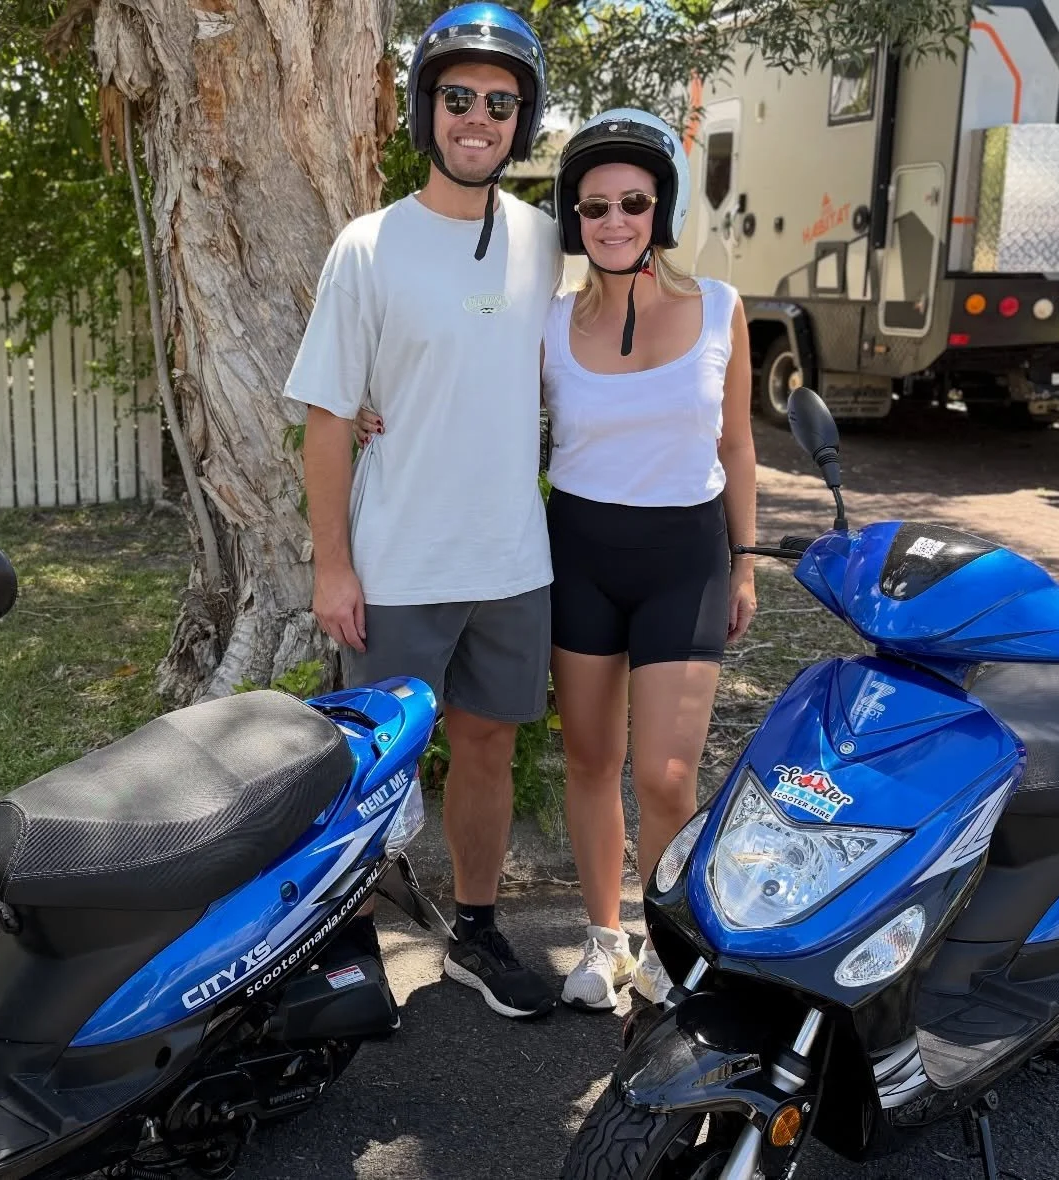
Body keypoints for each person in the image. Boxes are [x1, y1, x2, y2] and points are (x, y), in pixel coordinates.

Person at [360, 108, 759, 1012]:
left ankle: (667, 946)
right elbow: (459, 377)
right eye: (591, 208)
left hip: (685, 557)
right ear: (574, 220)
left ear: (661, 210)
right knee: (587, 759)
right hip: (578, 550)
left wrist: (742, 563)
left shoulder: (722, 312)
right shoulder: (546, 323)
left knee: (663, 775)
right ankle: (603, 939)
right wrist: (368, 407)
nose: (612, 220)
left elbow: (737, 447)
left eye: (631, 202)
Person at [284, 3, 562, 1022]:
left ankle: (479, 929)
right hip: (397, 559)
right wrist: (333, 567)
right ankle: (349, 939)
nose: (478, 118)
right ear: (426, 108)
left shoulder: (547, 244)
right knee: (372, 763)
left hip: (510, 560)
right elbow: (326, 423)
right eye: (459, 98)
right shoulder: (369, 246)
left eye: (501, 101)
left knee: (488, 747)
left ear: (522, 119)